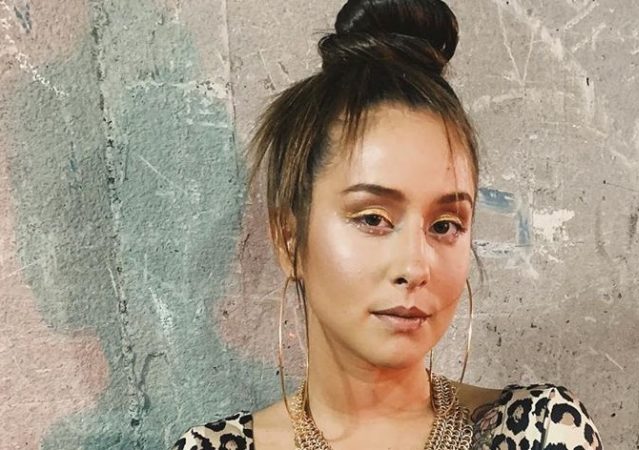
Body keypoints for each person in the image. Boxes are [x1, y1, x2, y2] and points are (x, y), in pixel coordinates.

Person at [170, 1, 604, 449]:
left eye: (445, 226)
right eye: (373, 218)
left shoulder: (542, 430)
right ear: (288, 238)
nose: (415, 267)